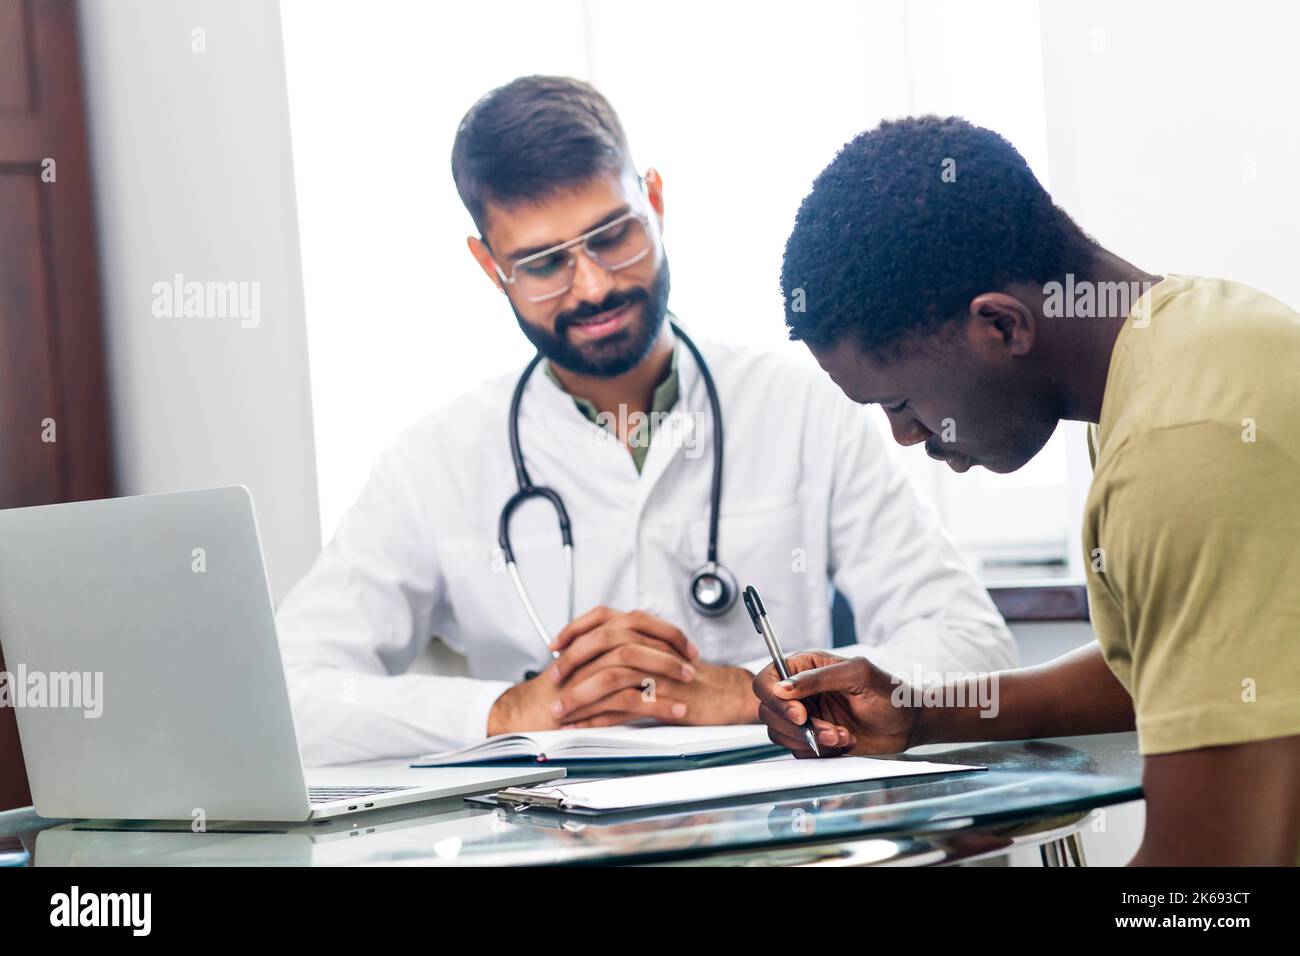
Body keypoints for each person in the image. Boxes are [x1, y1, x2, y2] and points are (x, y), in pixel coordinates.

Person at [276, 82, 1014, 767]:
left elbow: (978, 652)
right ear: (487, 264)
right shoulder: (435, 460)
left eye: (612, 236)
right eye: (541, 264)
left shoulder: (804, 410)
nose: (593, 285)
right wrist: (506, 711)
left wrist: (748, 692)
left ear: (653, 199)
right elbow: (289, 693)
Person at [755, 115, 1300, 865]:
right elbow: (1166, 669)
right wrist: (917, 711)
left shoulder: (1184, 447)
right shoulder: (1195, 342)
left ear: (1001, 327)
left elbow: (1213, 881)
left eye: (901, 403)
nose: (906, 438)